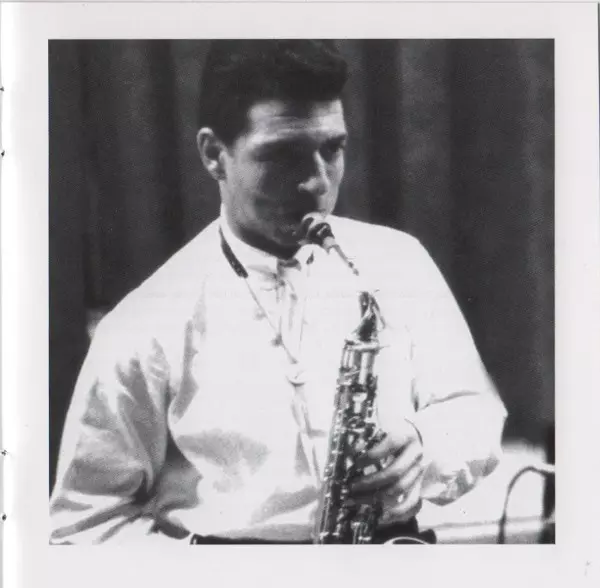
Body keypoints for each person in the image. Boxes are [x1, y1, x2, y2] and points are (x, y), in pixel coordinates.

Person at [49, 40, 507, 544]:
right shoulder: (142, 322)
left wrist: (426, 444)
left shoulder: (400, 262)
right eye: (282, 154)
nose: (316, 183)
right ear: (213, 155)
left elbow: (475, 412)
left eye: (332, 148)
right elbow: (85, 523)